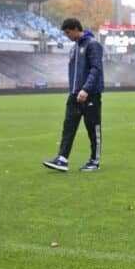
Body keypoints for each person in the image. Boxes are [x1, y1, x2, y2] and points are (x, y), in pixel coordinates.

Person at [43, 18, 104, 172]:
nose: (67, 36)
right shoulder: (74, 49)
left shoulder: (92, 45)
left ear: (77, 29)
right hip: (74, 94)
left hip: (90, 95)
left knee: (93, 128)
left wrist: (86, 89)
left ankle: (94, 161)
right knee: (68, 126)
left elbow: (96, 69)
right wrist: (75, 90)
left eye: (68, 32)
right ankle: (62, 159)